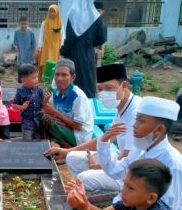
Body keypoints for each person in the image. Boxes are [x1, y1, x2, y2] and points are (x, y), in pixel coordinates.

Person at [50, 63, 141, 194]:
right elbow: (104, 139)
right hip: (120, 160)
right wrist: (67, 151)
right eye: (100, 89)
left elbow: (129, 159)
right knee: (72, 157)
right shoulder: (122, 107)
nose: (104, 93)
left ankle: (114, 195)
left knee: (84, 178)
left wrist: (99, 166)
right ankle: (99, 190)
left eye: (109, 88)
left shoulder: (136, 113)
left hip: (133, 173)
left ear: (124, 85)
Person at [96, 96, 182, 210]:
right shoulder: (139, 149)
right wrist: (104, 142)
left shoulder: (173, 164)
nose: (134, 125)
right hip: (133, 209)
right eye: (136, 120)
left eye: (141, 121)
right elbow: (115, 171)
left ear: (159, 129)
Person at [61, 0, 106, 98]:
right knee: (88, 79)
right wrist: (90, 42)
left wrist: (63, 51)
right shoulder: (95, 16)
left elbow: (69, 37)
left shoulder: (73, 13)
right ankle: (88, 106)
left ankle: (71, 108)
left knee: (73, 78)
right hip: (87, 53)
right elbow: (102, 37)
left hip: (73, 53)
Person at [41, 59, 93, 147]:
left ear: (73, 77)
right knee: (40, 116)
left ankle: (66, 149)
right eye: (57, 74)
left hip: (78, 136)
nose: (59, 78)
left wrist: (54, 112)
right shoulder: (56, 92)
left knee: (47, 119)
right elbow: (47, 110)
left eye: (64, 75)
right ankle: (52, 145)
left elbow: (78, 126)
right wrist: (44, 104)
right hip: (65, 129)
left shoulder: (78, 97)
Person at [12, 64, 44, 140]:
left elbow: (43, 103)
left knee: (38, 138)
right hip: (27, 121)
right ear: (23, 80)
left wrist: (45, 102)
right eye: (33, 78)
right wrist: (22, 107)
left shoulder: (39, 90)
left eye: (37, 77)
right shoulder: (20, 91)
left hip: (38, 120)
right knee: (27, 139)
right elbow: (14, 105)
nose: (36, 80)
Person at [37, 4, 64, 80]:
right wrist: (39, 46)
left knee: (55, 63)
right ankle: (44, 79)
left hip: (56, 47)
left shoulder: (60, 24)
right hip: (46, 46)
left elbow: (62, 36)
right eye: (50, 11)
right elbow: (41, 35)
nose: (52, 13)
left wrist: (61, 47)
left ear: (57, 13)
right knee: (45, 62)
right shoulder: (44, 23)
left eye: (53, 12)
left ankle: (54, 79)